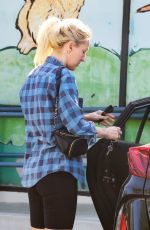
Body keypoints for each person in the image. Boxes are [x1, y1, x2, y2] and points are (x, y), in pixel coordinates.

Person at [19, 16, 122, 230]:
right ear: (70, 46)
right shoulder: (63, 75)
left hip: (34, 174)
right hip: (58, 171)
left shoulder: (33, 75)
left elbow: (46, 119)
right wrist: (105, 132)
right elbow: (73, 125)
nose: (83, 58)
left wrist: (88, 116)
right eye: (83, 52)